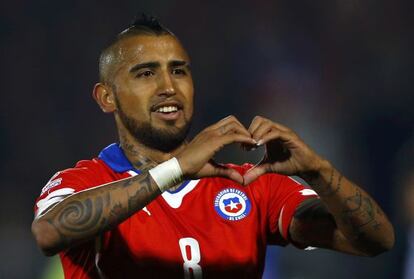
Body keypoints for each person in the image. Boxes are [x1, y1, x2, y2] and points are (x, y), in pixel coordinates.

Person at [32, 15, 394, 278]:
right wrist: (175, 169)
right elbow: (48, 232)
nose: (168, 86)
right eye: (145, 73)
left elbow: (375, 239)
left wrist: (320, 171)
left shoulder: (248, 183)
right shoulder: (86, 180)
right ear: (106, 97)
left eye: (178, 70)